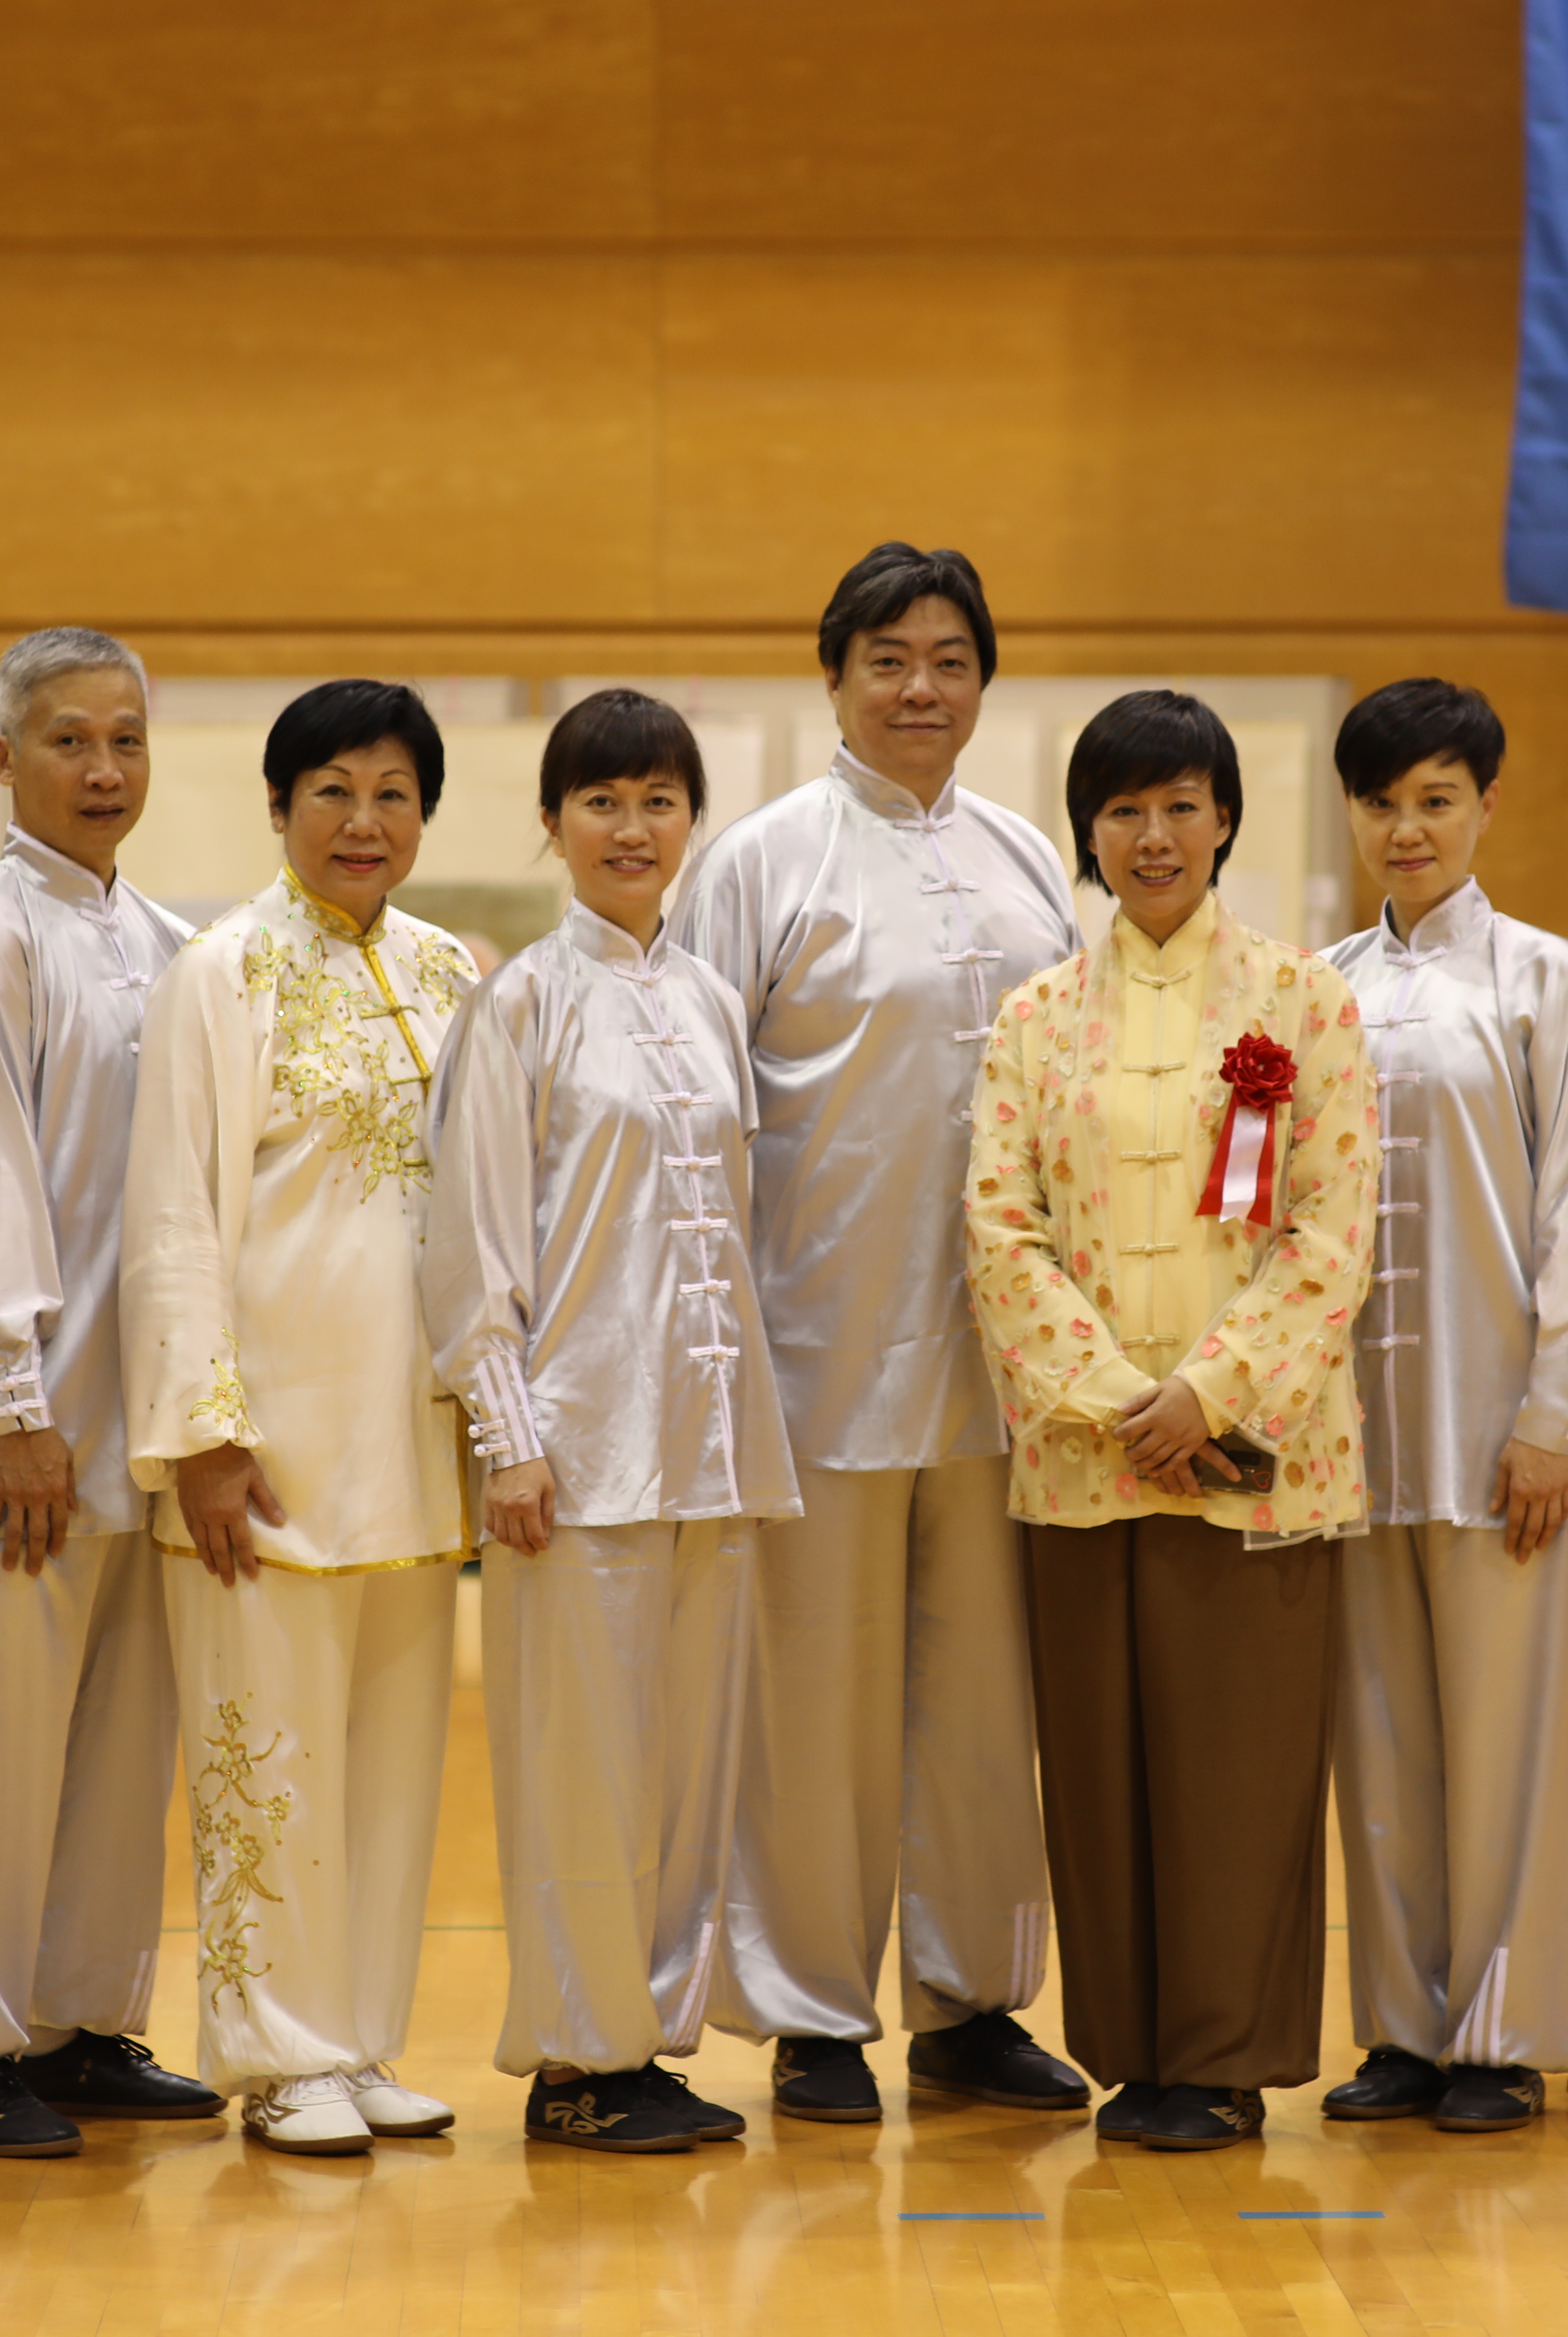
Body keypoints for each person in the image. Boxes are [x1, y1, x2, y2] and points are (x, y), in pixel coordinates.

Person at [668, 545, 1087, 2126]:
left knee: (985, 1704)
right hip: (814, 1350)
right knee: (819, 1705)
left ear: (986, 680)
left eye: (951, 660)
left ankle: (974, 2002)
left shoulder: (1030, 859)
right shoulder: (759, 864)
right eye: (888, 661)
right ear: (832, 675)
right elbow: (692, 1121)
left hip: (1012, 1370)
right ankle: (811, 2013)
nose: (922, 689)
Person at [962, 690, 1378, 2154]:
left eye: (1183, 805)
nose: (1156, 835)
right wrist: (1112, 1400)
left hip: (1255, 1458)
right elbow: (1001, 1229)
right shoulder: (1031, 1019)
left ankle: (1222, 2055)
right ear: (1089, 828)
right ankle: (1131, 2046)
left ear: (1224, 822)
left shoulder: (1304, 1000)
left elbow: (1330, 1230)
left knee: (1242, 1764)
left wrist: (1207, 1391)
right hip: (1086, 1461)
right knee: (1100, 1761)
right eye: (1127, 808)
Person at [423, 688, 802, 2153]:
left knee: (686, 1764)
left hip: (712, 1438)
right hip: (575, 1450)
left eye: (657, 799)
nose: (631, 827)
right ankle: (578, 2060)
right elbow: (471, 1244)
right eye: (601, 801)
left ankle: (649, 2036)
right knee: (580, 1766)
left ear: (690, 821)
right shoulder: (515, 1002)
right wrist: (508, 1434)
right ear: (552, 824)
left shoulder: (711, 1001)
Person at [121, 680, 482, 2156]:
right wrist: (203, 1428)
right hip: (261, 1457)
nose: (363, 819)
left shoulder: (463, 970)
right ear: (279, 808)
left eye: (394, 791)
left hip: (417, 1444)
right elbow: (173, 1211)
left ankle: (364, 2037)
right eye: (331, 789)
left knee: (395, 1762)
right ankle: (280, 2055)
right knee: (263, 1756)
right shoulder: (221, 972)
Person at [0, 628, 219, 2155]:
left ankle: (82, 2020)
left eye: (128, 742)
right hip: (29, 1419)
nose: (103, 770)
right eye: (72, 742)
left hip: (154, 1414)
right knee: (1, 1732)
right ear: (7, 760)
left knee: (122, 1732)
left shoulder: (168, 941)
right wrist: (14, 1400)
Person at [1310, 679, 1568, 2136]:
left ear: (1488, 804)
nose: (1407, 826)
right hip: (1350, 1432)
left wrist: (1552, 1414)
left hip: (1505, 1429)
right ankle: (1402, 2027)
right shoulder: (1313, 989)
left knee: (1508, 1739)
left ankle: (1501, 2033)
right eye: (1381, 800)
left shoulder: (1547, 978)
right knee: (1380, 1738)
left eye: (1436, 797)